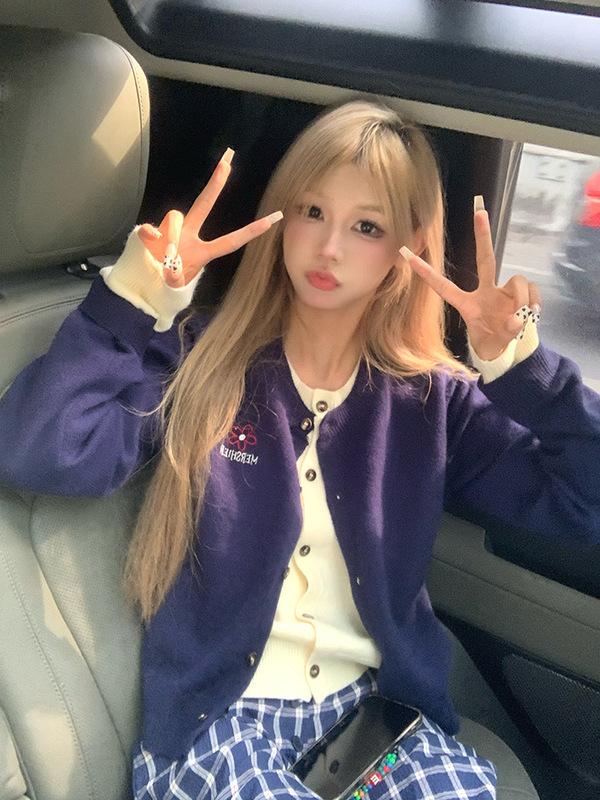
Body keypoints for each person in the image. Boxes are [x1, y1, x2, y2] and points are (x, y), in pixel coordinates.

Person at [1, 100, 599, 800]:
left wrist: (522, 367)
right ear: (281, 217)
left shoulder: (431, 403)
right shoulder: (203, 360)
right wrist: (136, 296)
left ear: (406, 250)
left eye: (367, 226)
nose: (329, 248)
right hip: (220, 727)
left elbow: (584, 499)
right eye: (312, 212)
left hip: (375, 724)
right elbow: (42, 447)